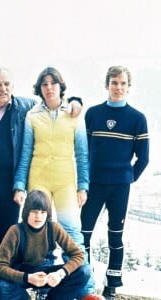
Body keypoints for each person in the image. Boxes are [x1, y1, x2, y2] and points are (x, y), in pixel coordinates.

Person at [0, 66, 84, 299]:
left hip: (12, 184)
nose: (3, 89)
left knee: (8, 235)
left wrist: (75, 100)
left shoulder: (23, 107)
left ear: (12, 86)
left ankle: (23, 284)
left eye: (7, 84)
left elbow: (52, 98)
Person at [13, 66, 96, 299]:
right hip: (38, 179)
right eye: (44, 84)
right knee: (39, 232)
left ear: (61, 86)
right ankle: (44, 286)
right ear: (40, 89)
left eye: (53, 83)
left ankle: (86, 290)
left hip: (65, 181)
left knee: (72, 232)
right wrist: (20, 185)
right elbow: (26, 153)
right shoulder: (32, 115)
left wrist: (83, 186)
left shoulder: (73, 114)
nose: (49, 88)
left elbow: (82, 154)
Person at [80, 66, 149, 300]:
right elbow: (83, 151)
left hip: (120, 187)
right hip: (94, 184)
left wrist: (127, 177)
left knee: (115, 235)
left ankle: (111, 285)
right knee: (83, 234)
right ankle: (85, 282)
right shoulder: (93, 114)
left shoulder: (137, 119)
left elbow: (144, 157)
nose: (118, 87)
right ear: (106, 85)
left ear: (129, 87)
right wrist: (84, 178)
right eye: (114, 83)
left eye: (122, 83)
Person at [0, 190, 97, 300]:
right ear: (27, 212)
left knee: (84, 271)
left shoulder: (53, 227)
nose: (39, 216)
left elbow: (78, 255)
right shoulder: (15, 231)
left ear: (48, 214)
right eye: (34, 212)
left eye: (43, 212)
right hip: (22, 273)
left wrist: (60, 274)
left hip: (46, 272)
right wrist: (28, 278)